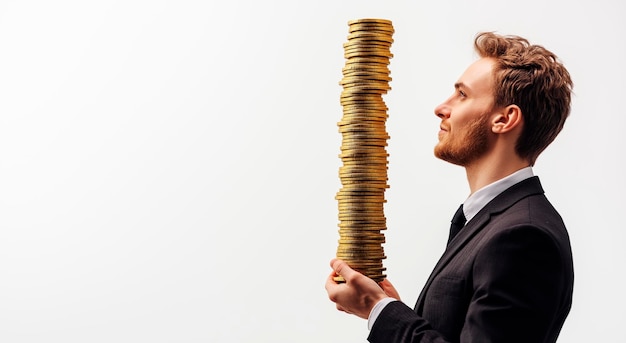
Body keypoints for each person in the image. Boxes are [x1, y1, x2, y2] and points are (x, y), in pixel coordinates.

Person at [325, 31, 574, 343]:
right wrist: (393, 309)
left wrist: (379, 310)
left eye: (463, 95)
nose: (442, 107)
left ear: (505, 119)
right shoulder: (489, 221)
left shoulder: (523, 236)